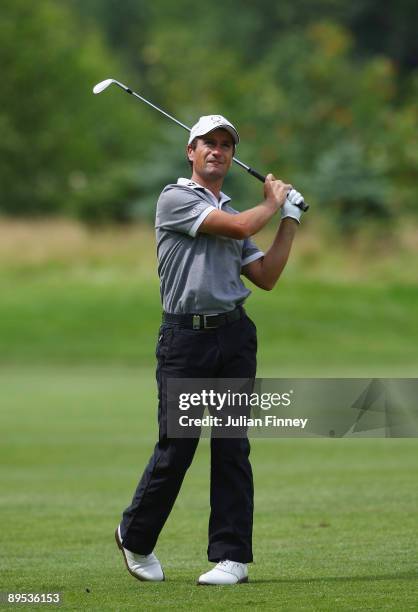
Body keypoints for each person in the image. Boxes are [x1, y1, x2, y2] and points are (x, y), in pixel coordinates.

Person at [115, 115, 306, 585]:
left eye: (225, 145)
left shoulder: (232, 210)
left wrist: (289, 220)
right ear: (191, 152)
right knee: (176, 449)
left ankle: (232, 557)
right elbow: (240, 228)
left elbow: (266, 278)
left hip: (235, 337)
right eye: (208, 143)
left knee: (232, 448)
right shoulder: (175, 199)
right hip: (185, 341)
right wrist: (272, 201)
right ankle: (135, 537)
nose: (218, 151)